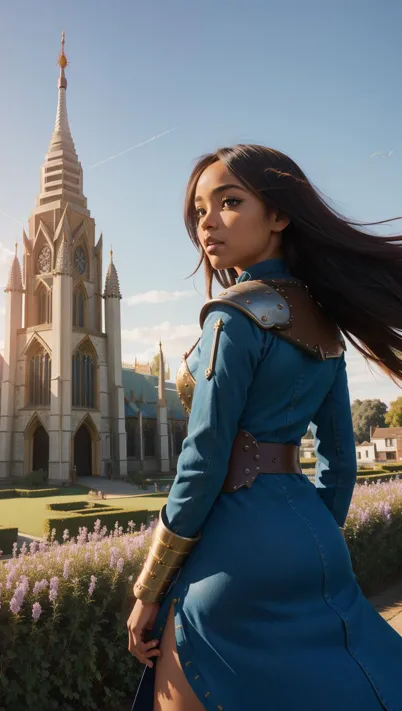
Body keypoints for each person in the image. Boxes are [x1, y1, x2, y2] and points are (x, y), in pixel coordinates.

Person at [127, 144, 402, 711]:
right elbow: (340, 463)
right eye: (198, 210)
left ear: (279, 216)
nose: (207, 222)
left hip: (235, 550)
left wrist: (148, 592)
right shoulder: (325, 322)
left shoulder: (232, 314)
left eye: (229, 202)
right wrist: (305, 536)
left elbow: (202, 462)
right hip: (313, 538)